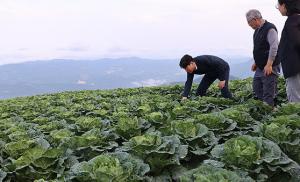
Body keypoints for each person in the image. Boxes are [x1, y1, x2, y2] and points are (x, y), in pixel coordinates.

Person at [246, 9, 280, 107]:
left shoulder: (270, 29)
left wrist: (269, 64)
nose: (250, 25)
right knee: (257, 86)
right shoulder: (256, 31)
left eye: (250, 23)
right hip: (261, 66)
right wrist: (256, 62)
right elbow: (258, 48)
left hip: (270, 65)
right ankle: (270, 106)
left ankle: (270, 112)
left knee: (268, 91)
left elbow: (274, 47)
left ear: (256, 19)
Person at [276, 0, 300, 102]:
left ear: (284, 5)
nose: (278, 8)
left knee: (295, 100)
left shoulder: (292, 20)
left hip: (294, 67)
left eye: (278, 5)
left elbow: (297, 42)